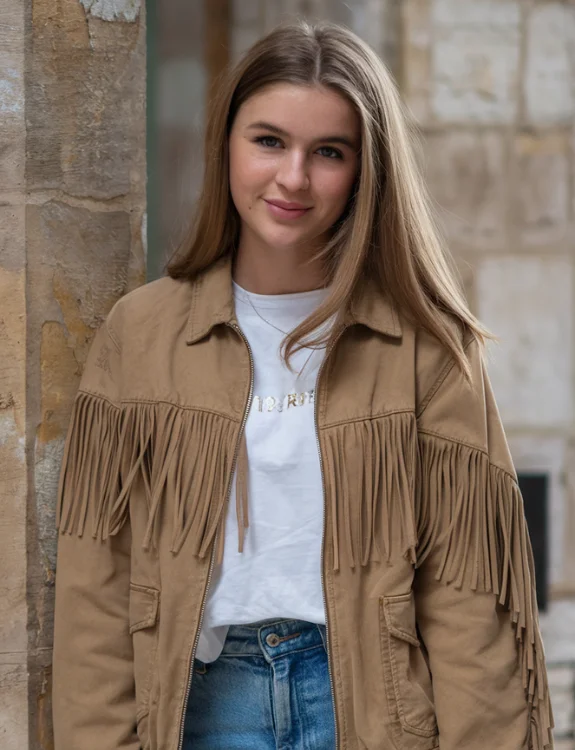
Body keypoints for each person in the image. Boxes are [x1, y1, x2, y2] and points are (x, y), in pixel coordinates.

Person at [52, 19, 553, 750]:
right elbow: (96, 582)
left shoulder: (425, 346)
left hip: (374, 710)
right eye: (268, 141)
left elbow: (467, 602)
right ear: (226, 142)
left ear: (364, 170)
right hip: (202, 705)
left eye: (328, 152)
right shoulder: (143, 334)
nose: (292, 177)